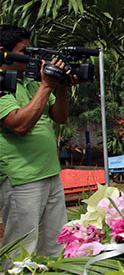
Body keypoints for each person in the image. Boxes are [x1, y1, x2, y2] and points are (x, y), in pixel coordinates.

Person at [0, 24, 75, 257]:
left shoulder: (32, 81)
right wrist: (46, 84)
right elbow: (19, 125)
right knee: (22, 251)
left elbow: (60, 117)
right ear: (4, 52)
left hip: (50, 174)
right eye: (25, 52)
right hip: (21, 178)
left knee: (55, 245)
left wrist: (61, 85)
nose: (31, 57)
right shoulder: (4, 84)